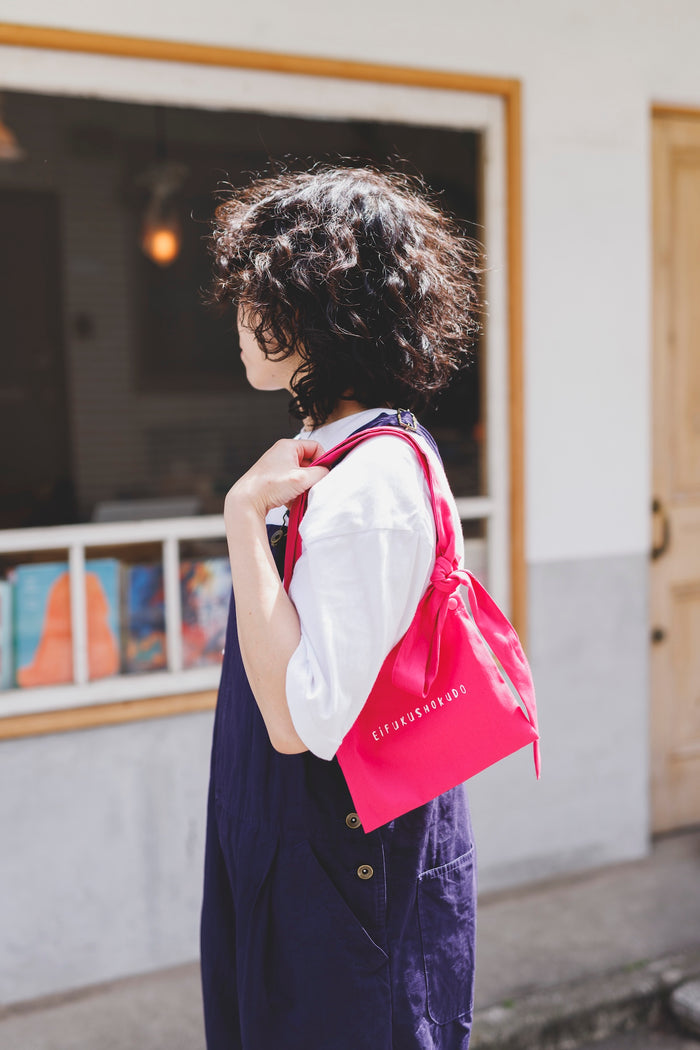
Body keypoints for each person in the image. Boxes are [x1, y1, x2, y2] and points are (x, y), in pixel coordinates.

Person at [200, 162, 483, 1050]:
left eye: (258, 293)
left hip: (341, 874)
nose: (241, 317)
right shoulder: (335, 452)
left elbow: (302, 722)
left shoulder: (372, 481)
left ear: (311, 313)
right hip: (311, 856)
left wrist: (244, 514)